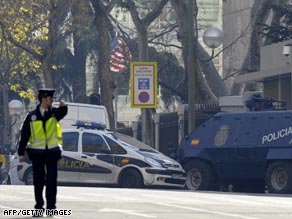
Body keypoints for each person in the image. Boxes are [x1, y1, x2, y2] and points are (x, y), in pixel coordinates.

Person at [18, 88, 67, 216]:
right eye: (50, 98)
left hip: (52, 153)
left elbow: (62, 112)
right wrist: (21, 152)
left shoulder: (54, 113)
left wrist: (64, 106)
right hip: (37, 153)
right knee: (38, 182)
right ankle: (39, 208)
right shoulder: (32, 116)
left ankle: (51, 208)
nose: (52, 101)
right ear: (43, 99)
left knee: (51, 182)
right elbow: (24, 135)